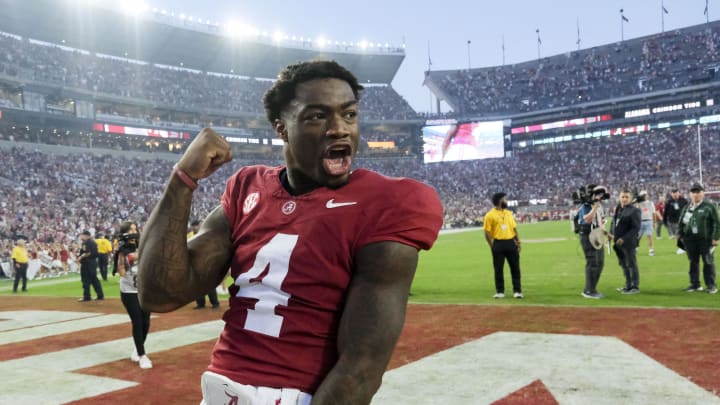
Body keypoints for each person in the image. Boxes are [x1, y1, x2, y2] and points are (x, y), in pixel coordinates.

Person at [138, 60, 444, 404]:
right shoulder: (246, 189)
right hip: (220, 393)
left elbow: (361, 368)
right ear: (281, 128)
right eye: (317, 116)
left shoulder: (388, 202)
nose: (339, 128)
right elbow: (158, 294)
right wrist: (182, 179)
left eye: (349, 115)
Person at [115, 221, 153, 369]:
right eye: (130, 229)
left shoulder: (143, 245)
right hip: (129, 290)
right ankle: (142, 355)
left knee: (146, 322)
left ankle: (138, 348)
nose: (133, 231)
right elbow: (122, 273)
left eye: (134, 228)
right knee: (137, 321)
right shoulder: (122, 249)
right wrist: (130, 258)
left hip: (144, 289)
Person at [677, 183, 719, 294]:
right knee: (693, 262)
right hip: (690, 240)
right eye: (693, 192)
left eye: (698, 192)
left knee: (708, 262)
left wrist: (715, 237)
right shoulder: (687, 207)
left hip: (705, 240)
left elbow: (716, 223)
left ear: (703, 193)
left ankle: (711, 285)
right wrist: (680, 234)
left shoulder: (709, 206)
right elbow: (681, 222)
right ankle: (695, 284)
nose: (696, 194)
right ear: (690, 194)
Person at [483, 192, 523, 298]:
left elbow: (514, 228)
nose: (506, 201)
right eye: (505, 199)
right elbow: (486, 232)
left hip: (511, 242)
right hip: (498, 243)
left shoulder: (509, 213)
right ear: (500, 200)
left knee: (515, 268)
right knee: (498, 269)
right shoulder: (489, 215)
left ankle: (517, 291)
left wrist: (518, 241)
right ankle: (500, 291)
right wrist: (492, 245)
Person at [576, 185, 608, 299]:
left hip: (597, 234)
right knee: (593, 262)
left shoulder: (599, 206)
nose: (599, 197)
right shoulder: (586, 205)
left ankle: (592, 288)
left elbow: (601, 222)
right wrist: (594, 207)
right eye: (597, 194)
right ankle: (589, 290)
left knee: (600, 262)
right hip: (587, 235)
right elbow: (587, 219)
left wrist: (606, 234)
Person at [609, 189, 641, 294]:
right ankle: (628, 285)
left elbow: (636, 228)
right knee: (623, 264)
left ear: (630, 198)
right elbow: (614, 223)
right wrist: (611, 234)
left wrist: (624, 238)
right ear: (619, 197)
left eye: (626, 197)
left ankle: (635, 286)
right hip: (617, 243)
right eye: (622, 197)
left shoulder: (634, 210)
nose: (624, 199)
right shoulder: (619, 208)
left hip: (628, 243)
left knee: (631, 263)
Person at [187, 220, 220, 310]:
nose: (194, 227)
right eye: (193, 226)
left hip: (206, 263)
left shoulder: (205, 234)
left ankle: (215, 303)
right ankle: (200, 303)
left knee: (209, 285)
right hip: (194, 265)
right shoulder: (189, 236)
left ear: (200, 225)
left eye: (196, 225)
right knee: (197, 286)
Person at [77, 230, 104, 301]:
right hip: (93, 262)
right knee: (94, 279)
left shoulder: (86, 243)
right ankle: (100, 295)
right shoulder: (93, 242)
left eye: (82, 235)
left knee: (85, 280)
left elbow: (87, 252)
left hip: (87, 263)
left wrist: (80, 257)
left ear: (86, 236)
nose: (81, 237)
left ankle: (86, 296)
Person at [664, 188, 688, 254]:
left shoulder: (684, 200)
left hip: (683, 221)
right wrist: (665, 220)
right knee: (678, 235)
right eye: (673, 194)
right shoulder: (669, 201)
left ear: (679, 193)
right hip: (673, 221)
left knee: (680, 234)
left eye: (676, 193)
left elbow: (688, 209)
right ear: (671, 194)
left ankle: (682, 248)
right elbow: (665, 212)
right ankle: (683, 247)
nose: (675, 195)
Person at [635, 190, 655, 256]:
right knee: (637, 237)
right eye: (644, 195)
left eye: (646, 195)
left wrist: (654, 222)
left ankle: (651, 250)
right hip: (640, 221)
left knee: (649, 236)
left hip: (649, 221)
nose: (646, 196)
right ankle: (635, 249)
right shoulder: (638, 203)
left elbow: (653, 213)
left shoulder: (651, 203)